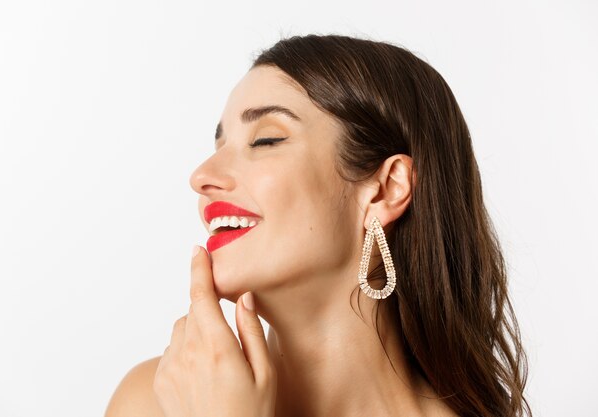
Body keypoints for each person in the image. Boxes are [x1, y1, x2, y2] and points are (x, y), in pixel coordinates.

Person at [104, 34, 531, 417]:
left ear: (385, 189)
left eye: (265, 140)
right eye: (219, 144)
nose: (202, 175)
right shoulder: (155, 401)